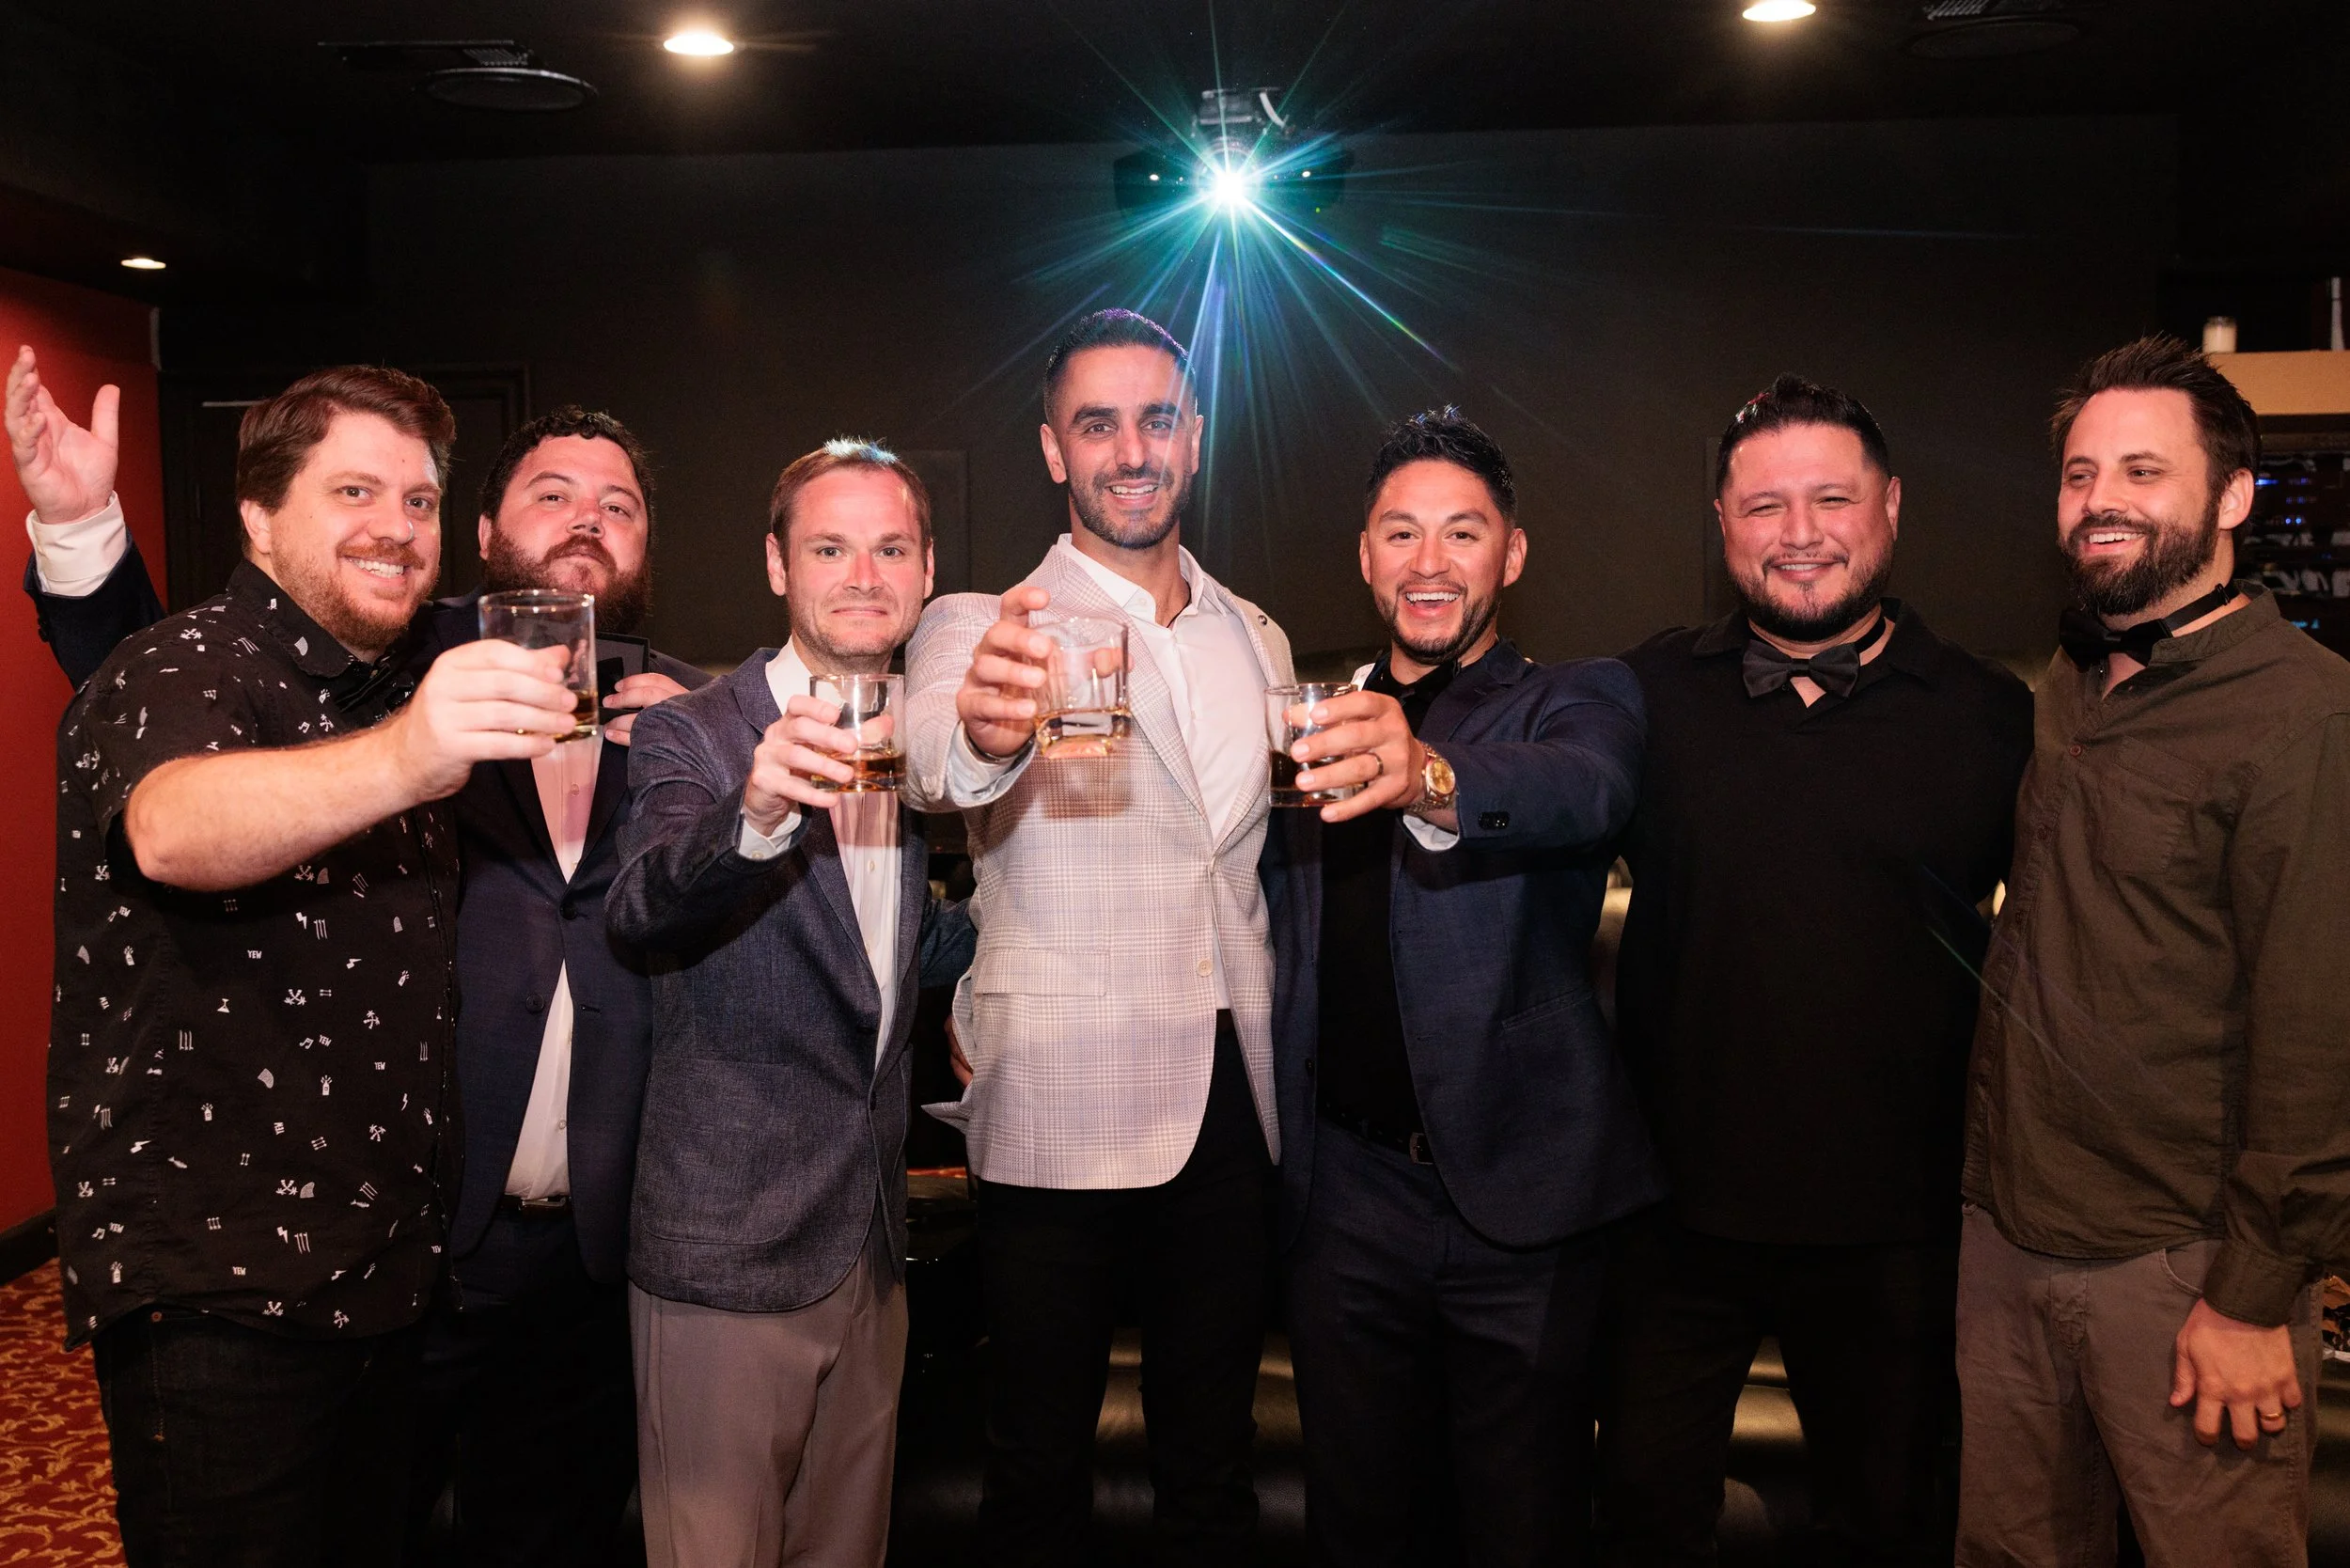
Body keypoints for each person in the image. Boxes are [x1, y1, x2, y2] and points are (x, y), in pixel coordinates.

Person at [10, 343, 704, 1565]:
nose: (589, 520)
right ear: (489, 530)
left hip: (533, 1257)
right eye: (554, 491)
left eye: (620, 503)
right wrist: (82, 537)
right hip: (316, 1265)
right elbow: (169, 728)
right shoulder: (379, 664)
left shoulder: (687, 712)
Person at [1600, 374, 2034, 1565]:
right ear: (1721, 524)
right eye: (1763, 506)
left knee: (1887, 1526)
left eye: (1830, 499)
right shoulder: (1642, 698)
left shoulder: (1993, 717)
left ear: (1890, 507)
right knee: (1638, 1514)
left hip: (1898, 1230)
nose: (1799, 535)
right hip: (1673, 1222)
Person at [902, 308, 1292, 1566]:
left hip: (1235, 1102)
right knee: (1036, 1471)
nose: (1132, 447)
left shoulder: (1259, 637)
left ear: (1195, 440)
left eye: (1157, 418)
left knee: (1211, 1465)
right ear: (1054, 451)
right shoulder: (983, 622)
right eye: (1098, 423)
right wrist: (985, 731)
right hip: (1061, 1101)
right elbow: (931, 764)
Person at [1957, 337, 2350, 1567]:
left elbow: (2316, 1028)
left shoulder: (2305, 713)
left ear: (2233, 496)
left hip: (2179, 1269)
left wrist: (2249, 1295)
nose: (2101, 501)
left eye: (2142, 469)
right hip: (2010, 1239)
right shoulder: (2073, 688)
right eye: (2080, 474)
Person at [1260, 407, 1659, 1565]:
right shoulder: (1310, 725)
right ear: (1364, 552)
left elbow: (1578, 791)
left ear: (1512, 555)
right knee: (1358, 1527)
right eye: (1400, 533)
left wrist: (1424, 772)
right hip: (1343, 1201)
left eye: (1462, 533)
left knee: (1521, 1528)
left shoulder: (1577, 699)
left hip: (1522, 1203)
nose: (1428, 563)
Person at [606, 438, 975, 1568]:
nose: (863, 574)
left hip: (869, 1253)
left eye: (889, 549)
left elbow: (893, 956)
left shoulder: (923, 739)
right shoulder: (695, 733)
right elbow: (642, 907)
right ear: (777, 566)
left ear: (924, 573)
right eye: (830, 547)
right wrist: (757, 810)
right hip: (725, 1257)